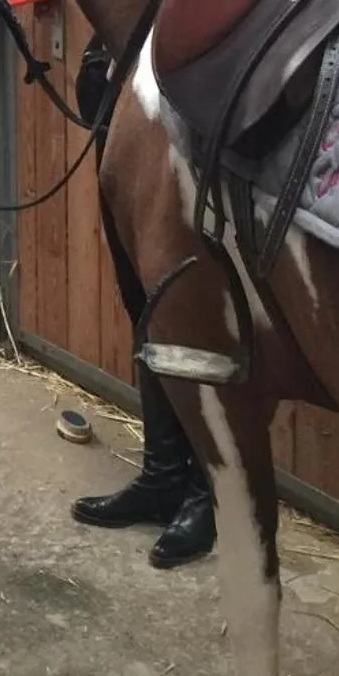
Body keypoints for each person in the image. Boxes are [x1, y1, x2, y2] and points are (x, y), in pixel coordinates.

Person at [70, 33, 215, 567]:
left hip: (181, 165)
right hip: (127, 161)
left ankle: (208, 492)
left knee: (190, 323)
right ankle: (163, 476)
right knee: (147, 315)